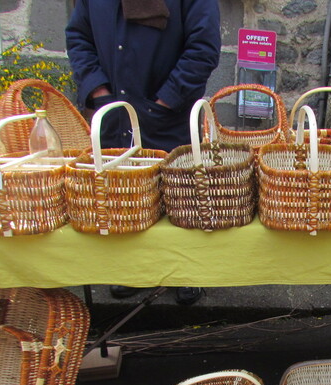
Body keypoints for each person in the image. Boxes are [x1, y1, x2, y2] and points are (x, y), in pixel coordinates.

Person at [66, 0, 221, 304]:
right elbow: (78, 38)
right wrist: (99, 92)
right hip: (116, 111)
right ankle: (135, 271)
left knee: (181, 199)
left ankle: (185, 273)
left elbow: (203, 48)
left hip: (167, 115)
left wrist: (164, 102)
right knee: (126, 199)